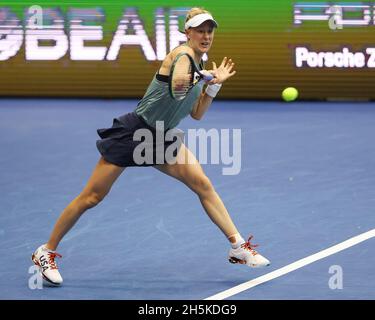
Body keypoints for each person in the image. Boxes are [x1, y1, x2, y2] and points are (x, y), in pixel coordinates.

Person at [31, 7, 270, 286]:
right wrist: (201, 76)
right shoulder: (180, 56)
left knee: (202, 184)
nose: (206, 36)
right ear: (187, 32)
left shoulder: (198, 65)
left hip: (162, 135)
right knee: (91, 198)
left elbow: (196, 113)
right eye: (200, 30)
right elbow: (179, 86)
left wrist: (213, 86)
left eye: (209, 31)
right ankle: (45, 252)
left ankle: (238, 246)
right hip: (135, 133)